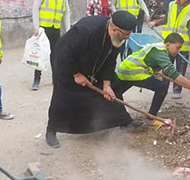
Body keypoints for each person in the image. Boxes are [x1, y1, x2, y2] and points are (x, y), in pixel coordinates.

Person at [45, 11, 145, 148]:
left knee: (113, 87)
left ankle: (124, 121)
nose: (127, 38)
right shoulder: (86, 30)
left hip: (94, 65)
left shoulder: (118, 38)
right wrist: (76, 74)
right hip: (67, 63)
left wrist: (107, 85)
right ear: (115, 29)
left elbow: (110, 61)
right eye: (126, 34)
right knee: (63, 97)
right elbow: (66, 52)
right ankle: (51, 130)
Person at [115, 33, 190, 117]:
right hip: (133, 71)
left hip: (126, 70)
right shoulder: (160, 52)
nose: (179, 51)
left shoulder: (159, 47)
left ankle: (109, 113)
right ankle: (151, 116)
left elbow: (170, 73)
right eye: (177, 47)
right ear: (168, 44)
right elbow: (173, 73)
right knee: (162, 87)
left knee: (115, 93)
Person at [148, 0, 190, 99]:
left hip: (182, 45)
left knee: (180, 69)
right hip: (169, 44)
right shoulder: (171, 5)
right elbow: (166, 19)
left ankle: (177, 89)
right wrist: (155, 22)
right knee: (166, 66)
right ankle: (164, 86)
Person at [31, 0, 71, 90]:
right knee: (39, 55)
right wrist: (36, 27)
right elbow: (35, 8)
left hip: (55, 29)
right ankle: (37, 79)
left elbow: (66, 13)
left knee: (56, 55)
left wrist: (67, 30)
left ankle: (56, 78)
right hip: (43, 29)